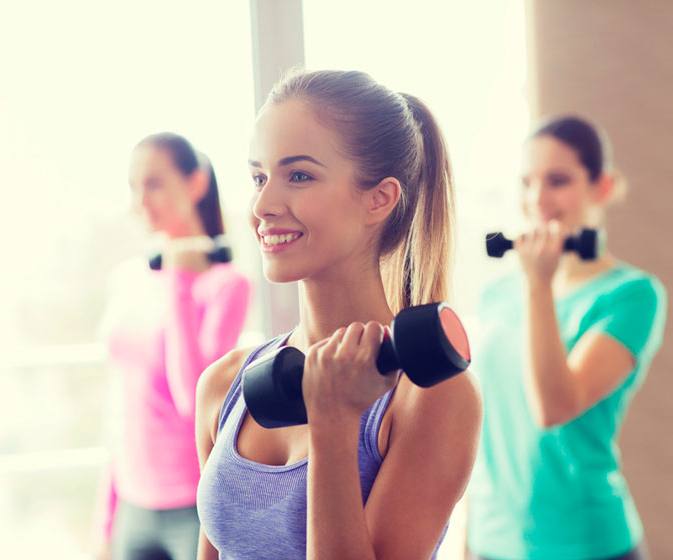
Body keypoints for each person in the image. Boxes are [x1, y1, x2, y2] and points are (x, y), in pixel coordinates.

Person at [194, 69, 483, 560]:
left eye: (299, 176)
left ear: (380, 198)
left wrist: (333, 423)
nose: (262, 205)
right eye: (259, 178)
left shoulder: (430, 397)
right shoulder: (225, 384)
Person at [466, 116, 667, 560]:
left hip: (589, 542)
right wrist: (469, 541)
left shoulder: (633, 295)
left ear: (603, 187)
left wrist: (538, 286)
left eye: (558, 181)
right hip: (491, 541)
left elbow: (554, 406)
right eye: (527, 182)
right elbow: (488, 430)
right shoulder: (497, 293)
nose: (538, 199)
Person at [92, 132, 251, 560]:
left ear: (195, 184)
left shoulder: (226, 286)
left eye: (154, 183)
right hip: (130, 503)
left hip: (192, 506)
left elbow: (191, 399)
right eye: (133, 186)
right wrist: (105, 519)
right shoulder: (127, 279)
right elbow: (122, 404)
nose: (141, 200)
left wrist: (179, 281)